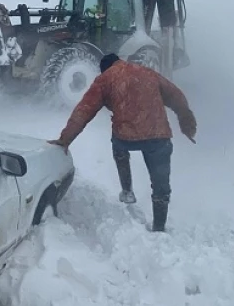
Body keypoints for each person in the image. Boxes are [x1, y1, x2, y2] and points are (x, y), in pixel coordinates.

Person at [48, 53, 197, 232]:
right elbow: (177, 96)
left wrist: (65, 139)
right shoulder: (148, 72)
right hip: (159, 137)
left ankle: (127, 190)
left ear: (105, 68)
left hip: (126, 138)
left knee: (119, 147)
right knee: (160, 183)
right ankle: (159, 226)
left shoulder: (105, 79)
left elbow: (84, 111)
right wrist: (187, 123)